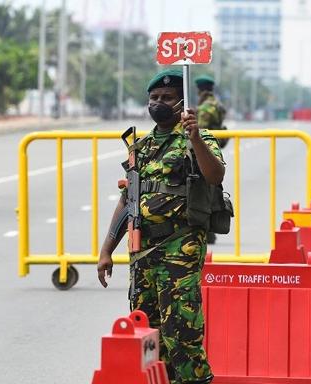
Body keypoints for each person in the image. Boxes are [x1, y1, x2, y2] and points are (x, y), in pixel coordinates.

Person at [97, 68, 224, 384]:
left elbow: (215, 175)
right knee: (147, 333)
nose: (159, 103)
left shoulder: (198, 139)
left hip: (180, 247)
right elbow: (128, 201)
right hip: (144, 254)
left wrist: (194, 137)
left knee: (181, 335)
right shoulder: (140, 146)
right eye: (154, 98)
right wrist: (106, 250)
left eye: (167, 98)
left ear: (182, 102)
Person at [195, 75, 227, 148]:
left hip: (207, 144)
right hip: (216, 141)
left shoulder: (205, 106)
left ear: (200, 90)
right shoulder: (217, 103)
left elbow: (201, 129)